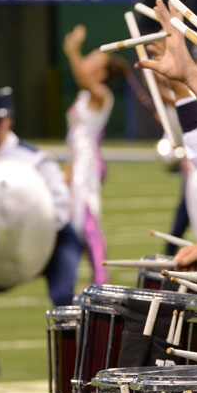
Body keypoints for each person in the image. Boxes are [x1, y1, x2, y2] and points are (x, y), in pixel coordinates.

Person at [0, 89, 81, 377]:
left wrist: (32, 237)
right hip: (10, 248)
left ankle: (78, 365)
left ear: (6, 123)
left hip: (55, 241)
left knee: (64, 297)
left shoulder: (36, 159)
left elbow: (61, 208)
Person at [63, 24, 117, 285]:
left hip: (89, 163)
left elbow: (82, 77)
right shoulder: (85, 94)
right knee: (74, 219)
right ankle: (80, 275)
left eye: (96, 58)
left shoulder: (102, 95)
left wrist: (72, 51)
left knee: (87, 219)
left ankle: (101, 279)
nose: (89, 59)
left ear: (103, 73)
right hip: (78, 160)